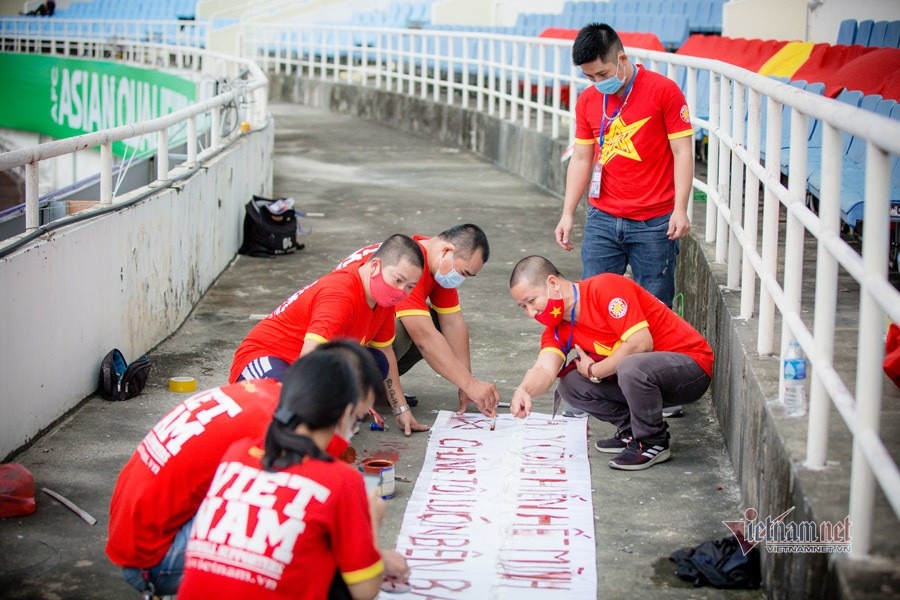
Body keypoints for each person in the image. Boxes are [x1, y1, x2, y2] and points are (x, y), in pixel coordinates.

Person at [106, 341, 405, 596]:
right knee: (316, 537)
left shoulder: (265, 400)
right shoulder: (276, 436)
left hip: (132, 533)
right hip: (152, 558)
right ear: (343, 411)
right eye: (360, 417)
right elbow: (362, 586)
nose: (356, 427)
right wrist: (371, 543)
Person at [508, 256, 713, 471]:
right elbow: (544, 368)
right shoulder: (558, 329)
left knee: (629, 365)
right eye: (523, 306)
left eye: (531, 301)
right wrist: (524, 390)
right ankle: (633, 430)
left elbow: (640, 343)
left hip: (690, 367)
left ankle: (652, 441)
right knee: (570, 385)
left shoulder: (604, 288)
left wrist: (594, 370)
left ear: (552, 284)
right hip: (646, 382)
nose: (530, 313)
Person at [554, 22, 694, 308]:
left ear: (622, 59)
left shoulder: (664, 91)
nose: (597, 82)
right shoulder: (588, 100)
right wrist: (567, 213)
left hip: (654, 223)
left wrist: (680, 209)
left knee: (655, 306)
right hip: (602, 219)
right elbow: (582, 157)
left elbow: (682, 152)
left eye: (602, 74)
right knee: (593, 303)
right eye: (589, 76)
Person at [229, 234, 425, 436]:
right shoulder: (340, 296)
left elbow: (385, 353)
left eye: (410, 286)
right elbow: (310, 359)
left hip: (314, 362)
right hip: (266, 358)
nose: (401, 292)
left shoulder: (384, 300)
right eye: (398, 280)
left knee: (377, 362)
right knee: (288, 415)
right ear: (375, 266)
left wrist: (401, 410)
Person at [335, 224, 500, 427]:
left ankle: (374, 388)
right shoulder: (408, 267)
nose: (460, 279)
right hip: (337, 350)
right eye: (463, 273)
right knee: (409, 326)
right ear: (447, 251)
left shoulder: (436, 265)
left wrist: (466, 383)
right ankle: (352, 393)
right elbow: (424, 338)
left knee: (431, 320)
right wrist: (471, 384)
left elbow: (453, 323)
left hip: (358, 341)